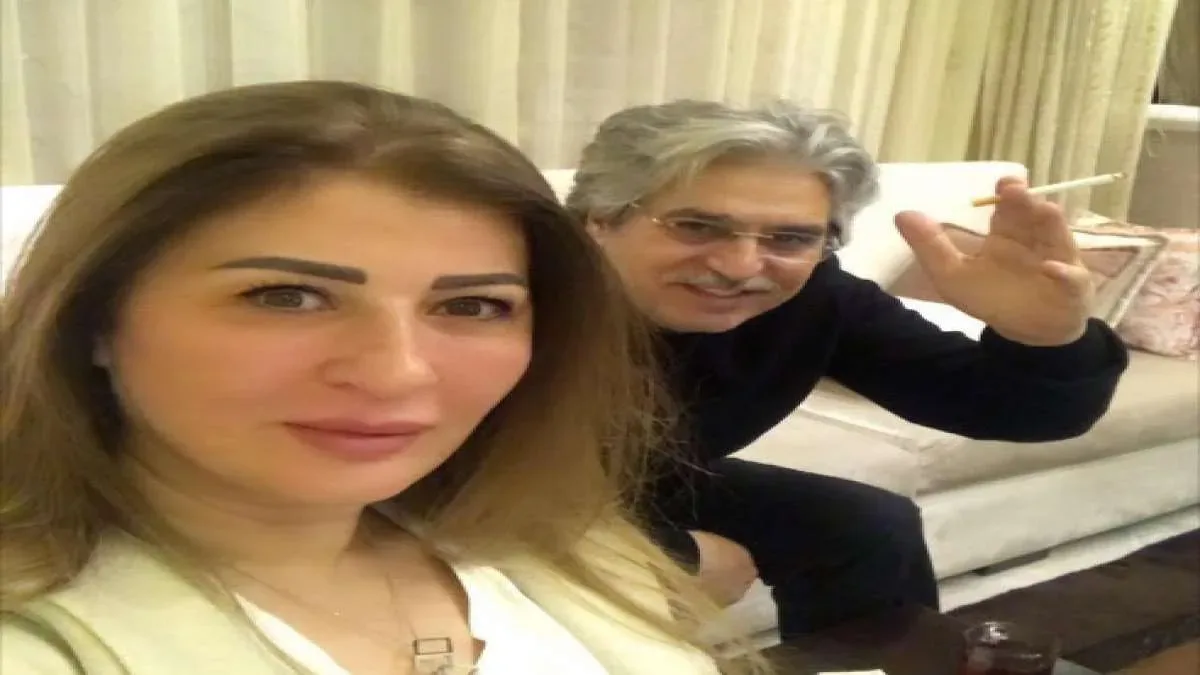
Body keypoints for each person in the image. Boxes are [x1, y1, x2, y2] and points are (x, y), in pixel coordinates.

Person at [0, 82, 772, 674]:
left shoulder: (563, 542)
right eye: (286, 297)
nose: (396, 371)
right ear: (91, 319)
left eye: (471, 305)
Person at [564, 99, 1129, 636]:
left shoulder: (816, 298)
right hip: (526, 492)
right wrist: (671, 554)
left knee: (867, 525)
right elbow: (500, 488)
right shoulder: (530, 295)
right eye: (696, 226)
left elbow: (1020, 411)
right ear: (599, 218)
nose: (740, 266)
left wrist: (1046, 339)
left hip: (644, 479)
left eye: (790, 238)